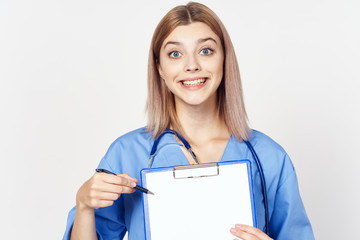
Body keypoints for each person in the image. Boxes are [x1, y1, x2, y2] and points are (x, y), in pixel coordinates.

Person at [63, 2, 314, 240]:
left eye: (206, 51)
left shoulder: (268, 157)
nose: (192, 65)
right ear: (160, 68)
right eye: (175, 54)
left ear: (224, 60)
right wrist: (83, 204)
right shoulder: (127, 154)